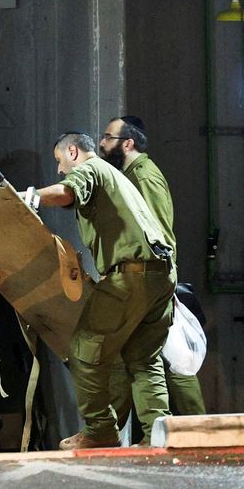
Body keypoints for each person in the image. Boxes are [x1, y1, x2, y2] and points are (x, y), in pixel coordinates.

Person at [29, 131, 176, 449]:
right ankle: (156, 438)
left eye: (59, 161)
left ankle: (100, 431)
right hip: (160, 276)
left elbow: (66, 192)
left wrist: (30, 197)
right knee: (143, 360)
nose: (59, 169)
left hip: (130, 276)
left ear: (72, 151)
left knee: (84, 350)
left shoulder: (91, 168)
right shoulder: (118, 178)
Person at [99, 116, 206, 429]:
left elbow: (161, 234)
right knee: (146, 361)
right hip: (139, 283)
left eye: (108, 137)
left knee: (168, 363)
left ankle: (199, 431)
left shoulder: (143, 176)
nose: (102, 143)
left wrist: (162, 284)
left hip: (150, 283)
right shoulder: (129, 175)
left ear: (127, 143)